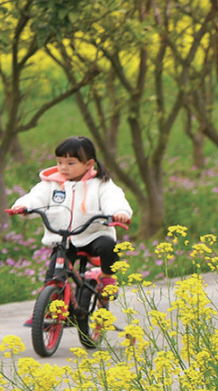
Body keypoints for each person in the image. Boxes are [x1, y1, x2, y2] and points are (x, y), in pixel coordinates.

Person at [10, 136, 132, 326]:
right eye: (59, 162)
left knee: (108, 246)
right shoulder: (51, 185)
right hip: (64, 238)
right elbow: (35, 197)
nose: (63, 167)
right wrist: (23, 206)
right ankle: (48, 309)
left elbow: (113, 199)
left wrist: (119, 213)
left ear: (88, 164)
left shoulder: (101, 184)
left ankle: (108, 278)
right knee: (54, 275)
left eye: (70, 163)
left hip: (93, 234)